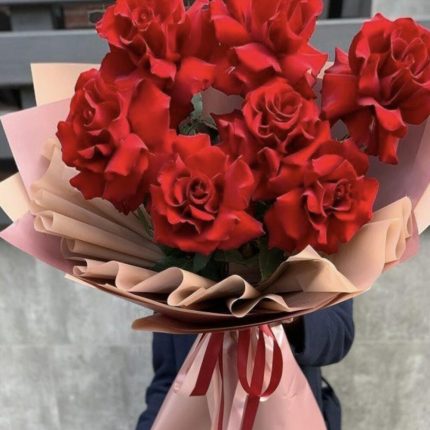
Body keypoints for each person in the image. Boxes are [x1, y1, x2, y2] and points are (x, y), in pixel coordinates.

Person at [137, 300, 354, 430]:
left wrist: (287, 314)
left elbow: (338, 336)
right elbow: (168, 380)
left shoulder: (311, 247)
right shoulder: (176, 269)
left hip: (287, 418)